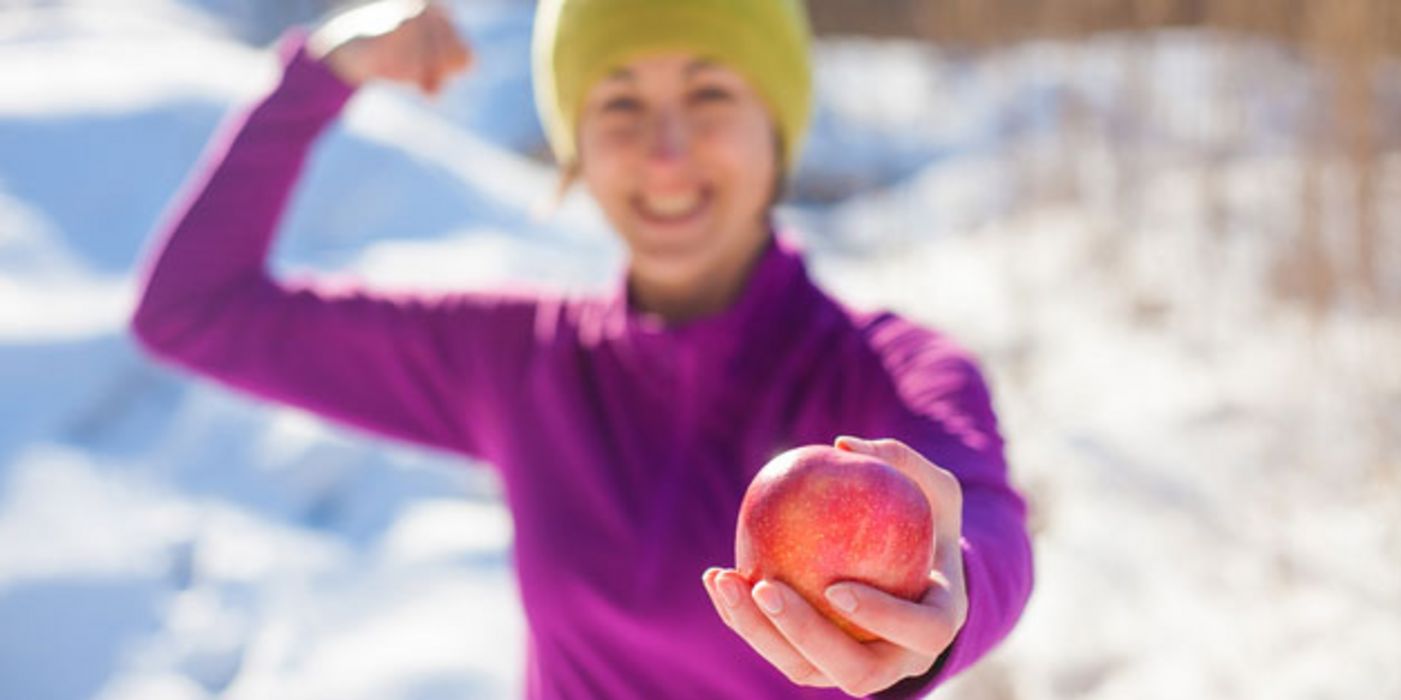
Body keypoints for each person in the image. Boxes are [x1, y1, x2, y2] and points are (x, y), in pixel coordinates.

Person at [129, 0, 1033, 697]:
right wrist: (323, 70)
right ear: (574, 150)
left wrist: (948, 601)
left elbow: (980, 517)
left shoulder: (887, 370)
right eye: (619, 103)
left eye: (709, 94)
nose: (664, 150)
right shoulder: (519, 360)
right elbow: (193, 309)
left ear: (778, 127)